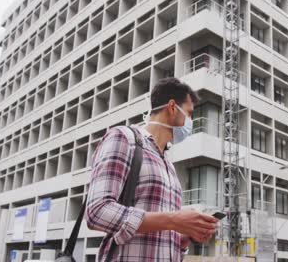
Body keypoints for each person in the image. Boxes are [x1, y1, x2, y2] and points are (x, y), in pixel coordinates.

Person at [86, 77, 219, 261]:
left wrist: (181, 237)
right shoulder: (124, 138)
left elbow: (158, 230)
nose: (191, 122)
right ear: (172, 107)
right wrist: (174, 220)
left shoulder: (169, 166)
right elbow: (97, 211)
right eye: (189, 113)